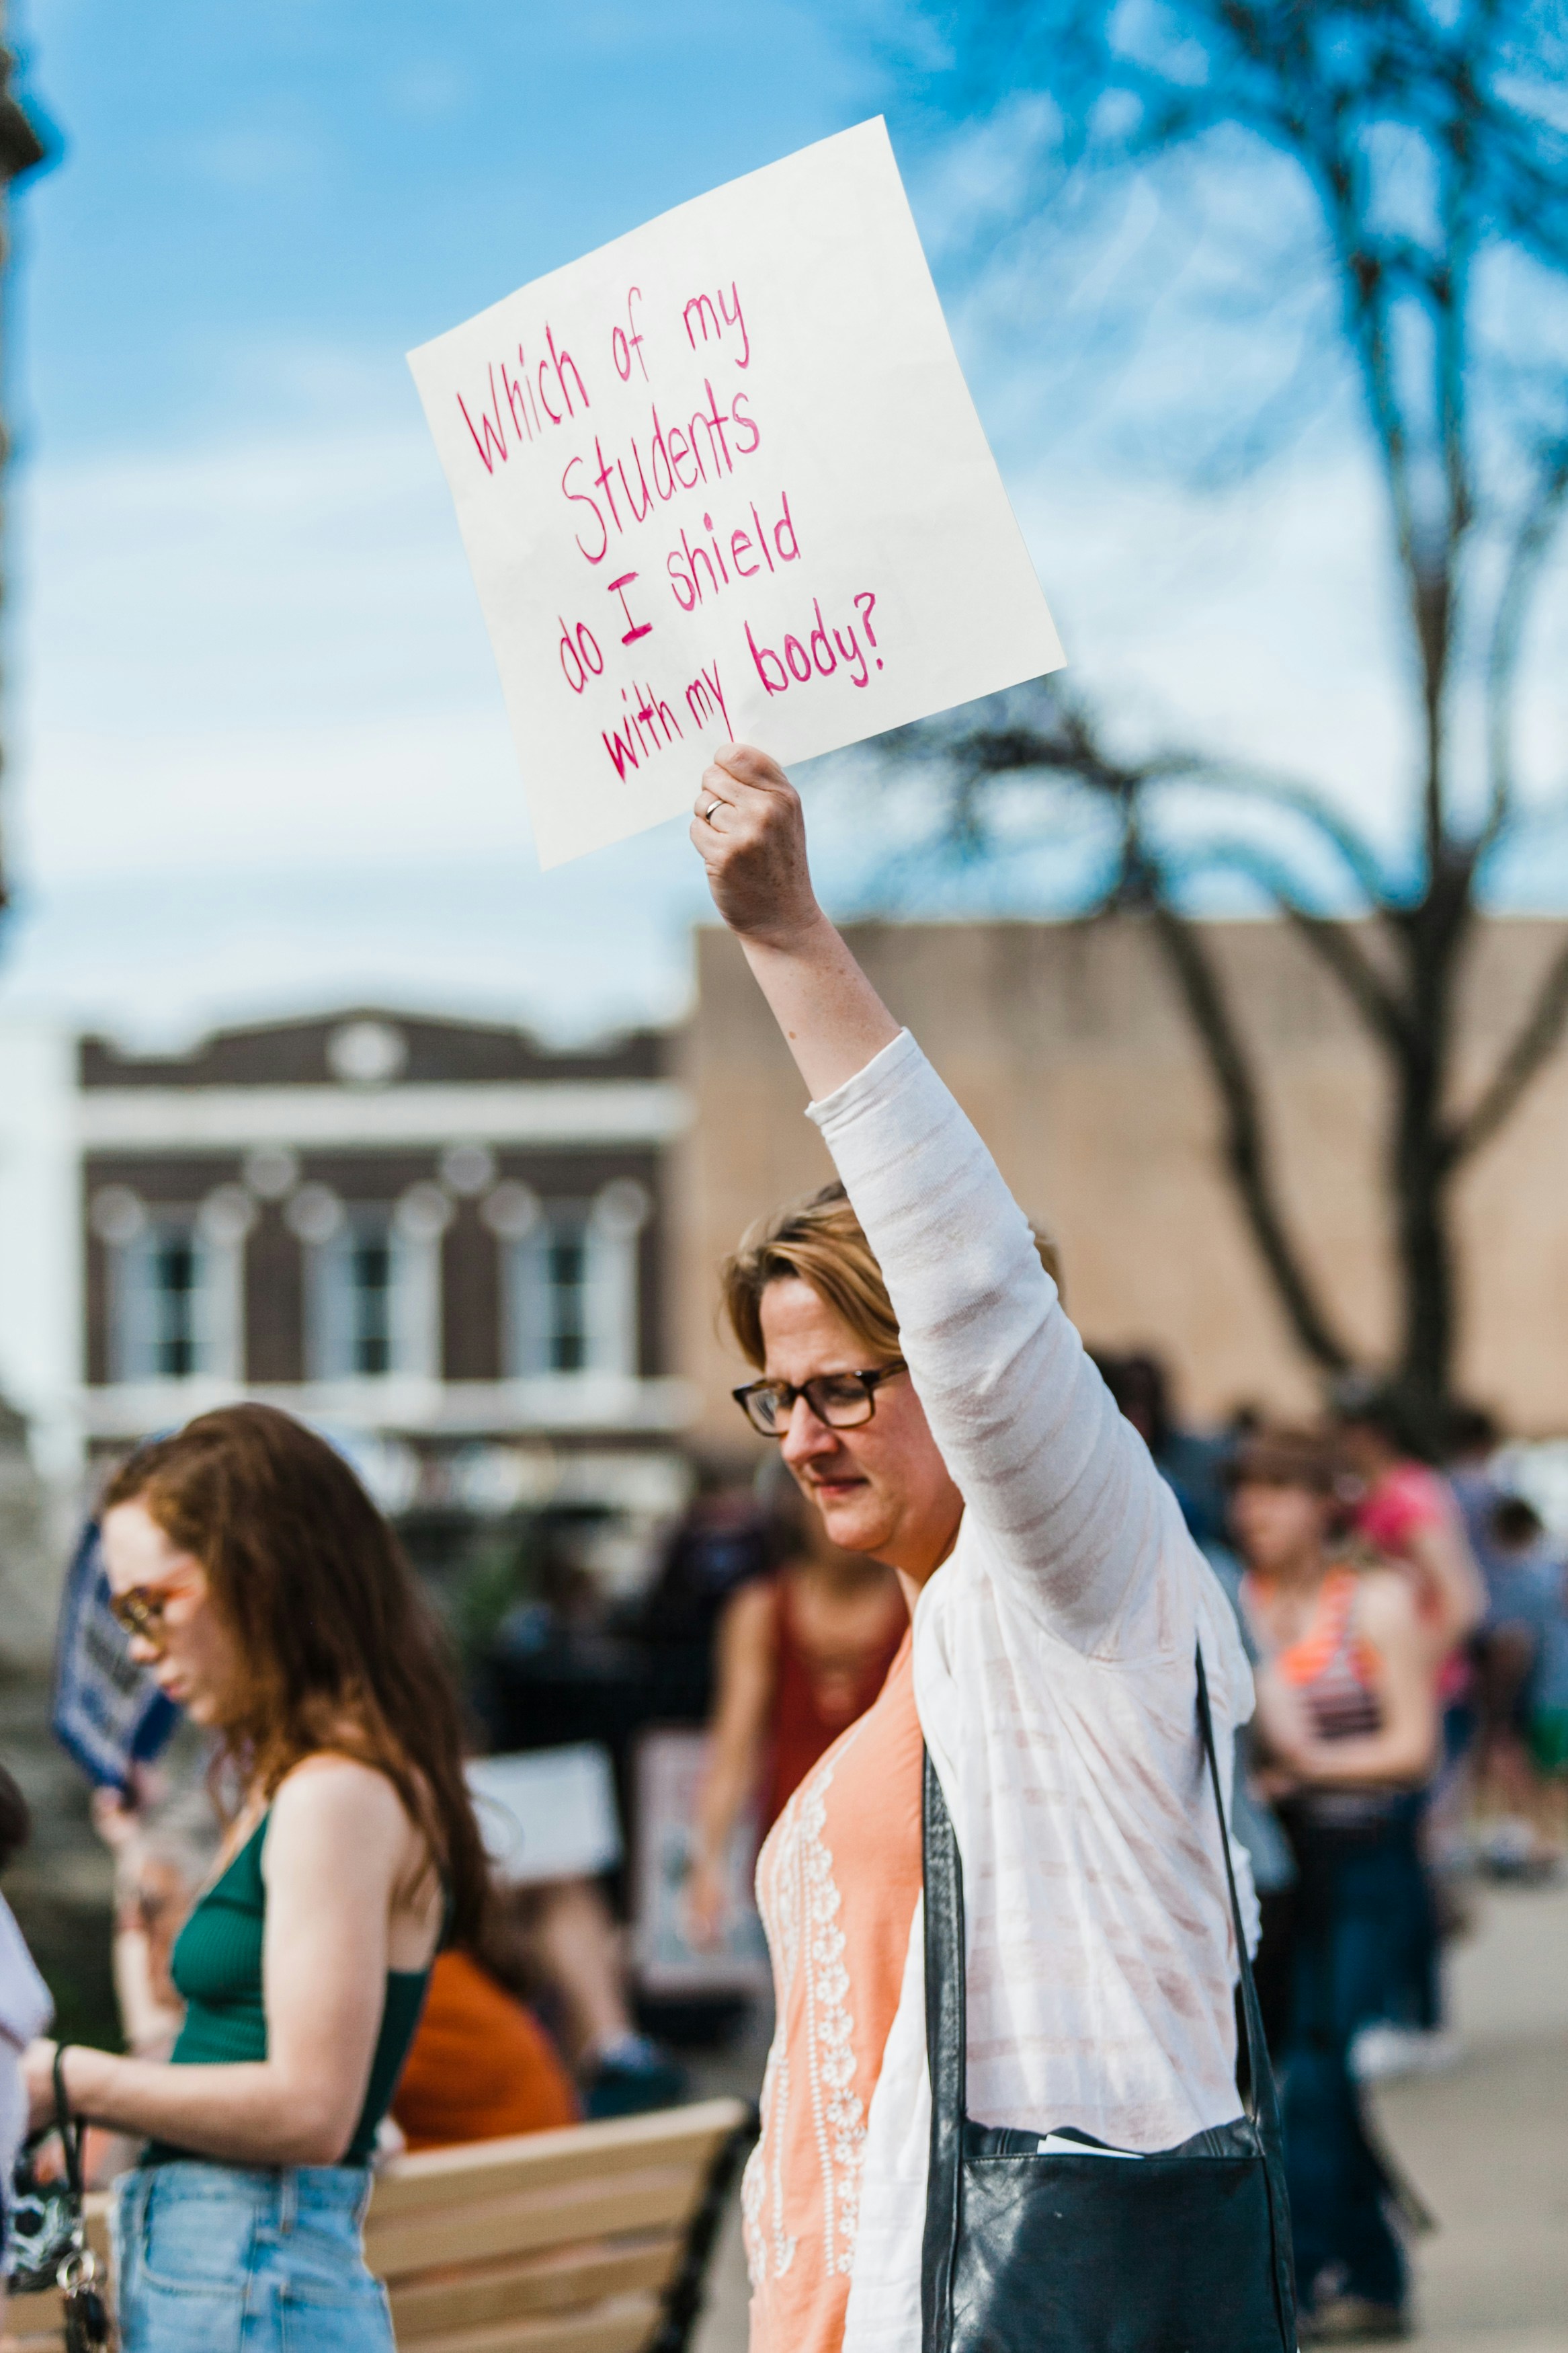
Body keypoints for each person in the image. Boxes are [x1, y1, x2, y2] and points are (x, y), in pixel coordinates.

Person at [687, 746, 1260, 2353]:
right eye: (776, 1397)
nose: (801, 1437)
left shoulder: (1074, 1587)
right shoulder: (941, 1642)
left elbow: (978, 1298)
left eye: (845, 1387)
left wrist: (789, 939)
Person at [23, 1404, 490, 2353]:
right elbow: (191, 2045)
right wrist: (139, 1882)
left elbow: (309, 2109)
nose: (142, 1648)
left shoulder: (334, 1794)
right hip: (235, 2280)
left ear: (259, 1578)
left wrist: (65, 2079)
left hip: (250, 2285)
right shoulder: (306, 1784)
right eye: (123, 1617)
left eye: (153, 1604)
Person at [1230, 1427, 1438, 2340]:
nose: (1255, 1510)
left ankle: (1315, 2270)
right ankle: (1374, 2266)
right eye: (1246, 1491)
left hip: (1367, 1866)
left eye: (1278, 1490)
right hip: (1280, 1874)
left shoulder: (1376, 1602)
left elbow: (1413, 1748)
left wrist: (1309, 1767)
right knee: (1297, 2077)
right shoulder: (1236, 1598)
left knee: (1316, 2072)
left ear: (1327, 1503)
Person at [686, 1474, 905, 1948]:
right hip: (798, 1861)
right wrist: (708, 1865)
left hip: (901, 1864)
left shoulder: (917, 1600)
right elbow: (734, 1750)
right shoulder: (761, 1611)